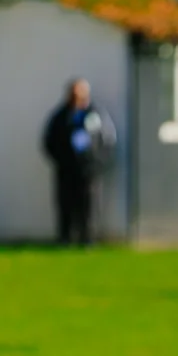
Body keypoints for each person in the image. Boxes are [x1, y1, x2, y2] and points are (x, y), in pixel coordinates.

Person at [42, 79, 115, 246]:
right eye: (73, 95)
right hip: (66, 169)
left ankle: (88, 238)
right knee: (65, 203)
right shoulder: (61, 116)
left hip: (89, 170)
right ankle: (65, 238)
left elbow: (108, 140)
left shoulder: (96, 114)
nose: (76, 98)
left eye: (79, 95)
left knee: (89, 205)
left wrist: (97, 162)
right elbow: (49, 141)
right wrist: (61, 159)